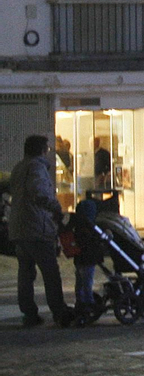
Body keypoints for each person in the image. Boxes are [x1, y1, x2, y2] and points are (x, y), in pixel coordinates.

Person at [11, 135, 71, 328]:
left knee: (25, 273)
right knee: (50, 272)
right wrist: (56, 208)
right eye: (47, 148)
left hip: (19, 228)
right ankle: (59, 310)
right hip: (37, 227)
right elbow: (40, 192)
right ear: (42, 150)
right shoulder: (36, 168)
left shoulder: (19, 167)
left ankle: (29, 313)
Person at [67, 197, 105, 323]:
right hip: (89, 260)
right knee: (87, 282)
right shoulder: (90, 228)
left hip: (79, 260)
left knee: (80, 282)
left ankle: (81, 301)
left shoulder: (77, 226)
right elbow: (95, 242)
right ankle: (88, 303)